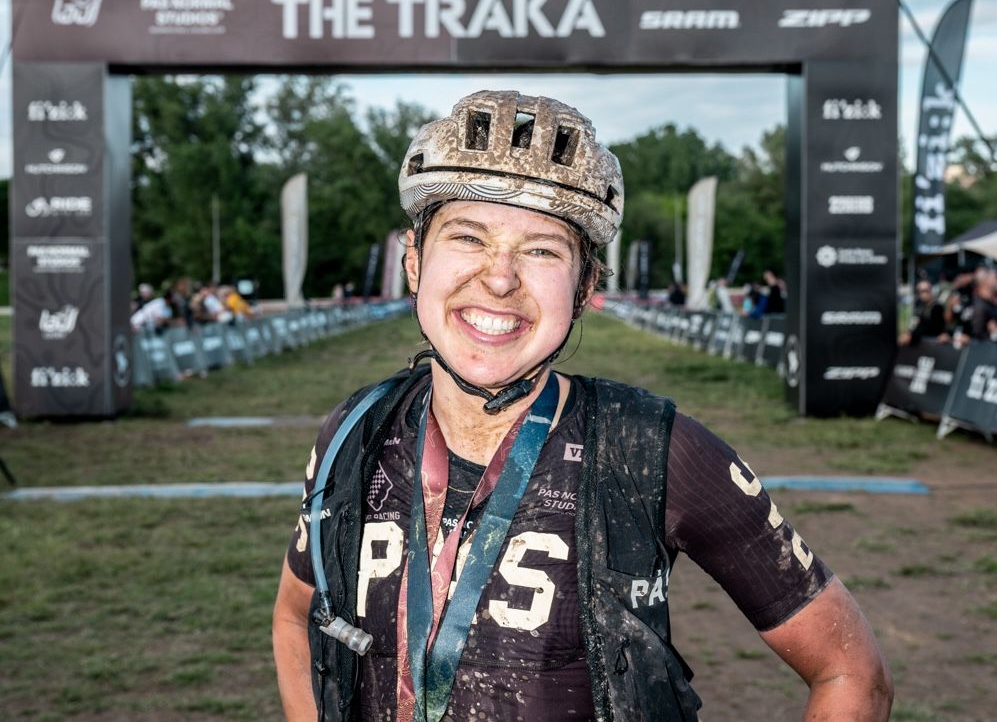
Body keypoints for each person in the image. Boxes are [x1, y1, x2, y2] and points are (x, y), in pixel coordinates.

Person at [272, 90, 893, 722]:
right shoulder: (354, 431)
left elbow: (851, 672)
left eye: (542, 249)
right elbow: (296, 616)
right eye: (468, 236)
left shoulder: (653, 450)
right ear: (413, 262)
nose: (499, 277)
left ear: (586, 285)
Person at [899, 280, 948, 346]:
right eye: (919, 291)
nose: (922, 294)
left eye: (925, 291)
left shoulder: (937, 307)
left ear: (931, 291)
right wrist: (908, 333)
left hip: (933, 343)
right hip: (921, 342)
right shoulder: (920, 306)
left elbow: (930, 327)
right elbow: (915, 323)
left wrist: (911, 336)